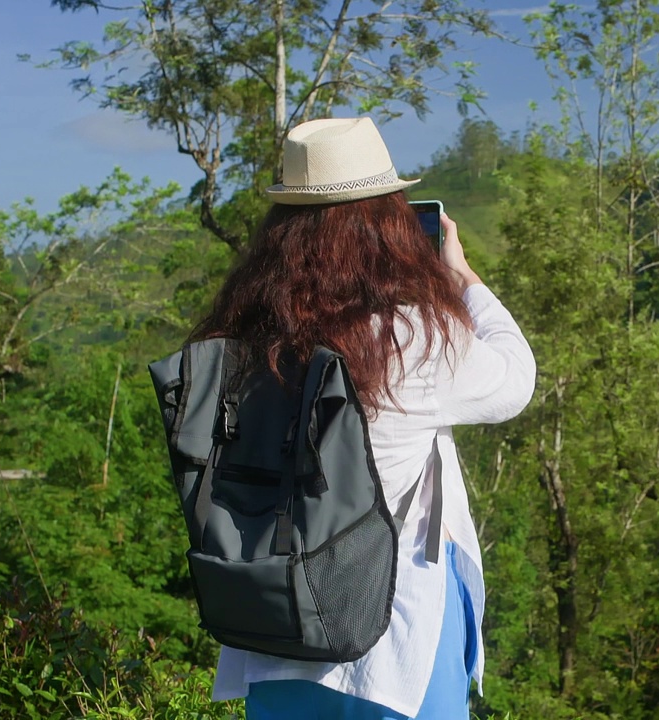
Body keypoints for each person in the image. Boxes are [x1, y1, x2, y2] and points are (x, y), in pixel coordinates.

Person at [194, 117, 536, 719]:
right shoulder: (409, 335)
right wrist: (465, 279)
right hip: (387, 646)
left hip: (272, 630)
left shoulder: (247, 336)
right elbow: (515, 379)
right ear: (388, 222)